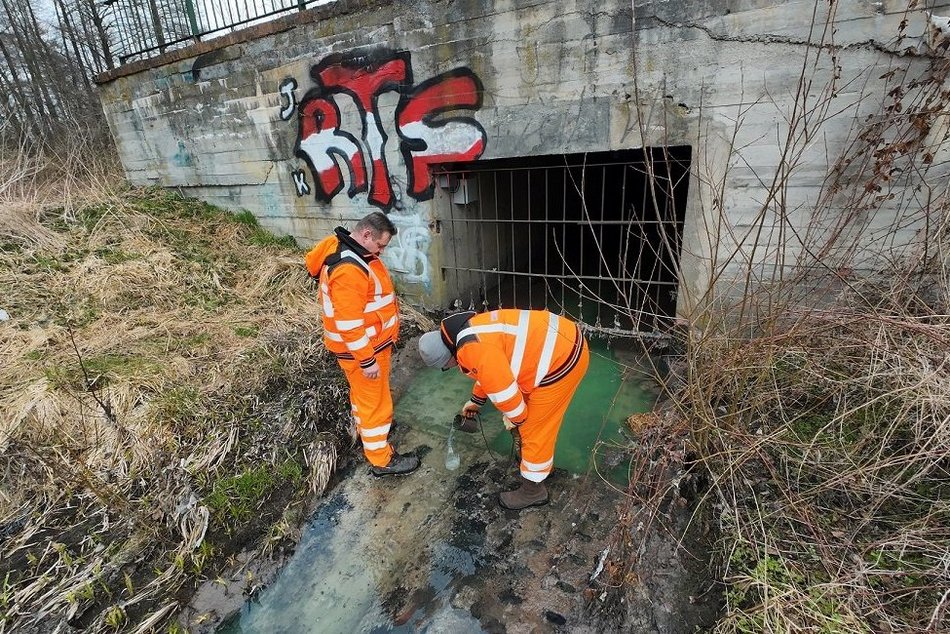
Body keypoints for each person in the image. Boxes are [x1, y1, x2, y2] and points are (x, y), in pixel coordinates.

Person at [417, 309, 589, 509]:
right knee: (527, 422)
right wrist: (476, 400)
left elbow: (505, 392)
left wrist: (516, 418)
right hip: (559, 340)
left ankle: (533, 491)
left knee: (533, 428)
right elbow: (490, 368)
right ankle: (536, 463)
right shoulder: (466, 331)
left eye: (446, 366)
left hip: (561, 361)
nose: (451, 367)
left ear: (446, 358)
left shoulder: (469, 349)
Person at [305, 212, 420, 477]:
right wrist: (367, 360)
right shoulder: (349, 270)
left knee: (363, 398)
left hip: (362, 348)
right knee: (376, 404)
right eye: (380, 245)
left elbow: (313, 266)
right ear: (366, 234)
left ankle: (367, 437)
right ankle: (382, 460)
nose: (381, 252)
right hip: (364, 351)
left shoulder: (338, 245)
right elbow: (349, 324)